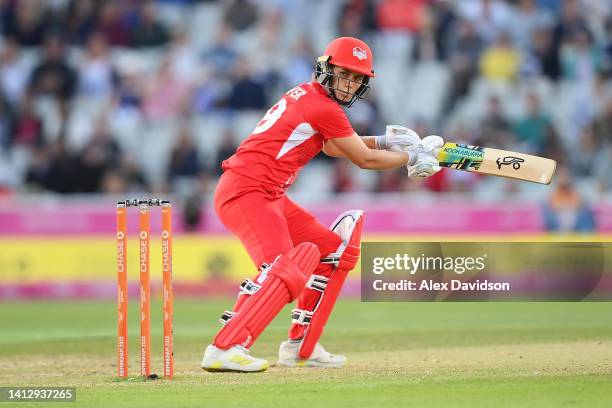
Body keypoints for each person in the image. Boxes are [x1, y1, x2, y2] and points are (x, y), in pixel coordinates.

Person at [201, 37, 443, 372]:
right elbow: (365, 160)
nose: (350, 84)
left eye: (358, 78)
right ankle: (224, 348)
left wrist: (390, 141)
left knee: (331, 250)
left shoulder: (313, 97)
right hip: (247, 192)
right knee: (282, 269)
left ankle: (301, 344)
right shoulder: (322, 106)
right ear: (326, 68)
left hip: (269, 194)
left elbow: (333, 147)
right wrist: (410, 156)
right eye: (345, 73)